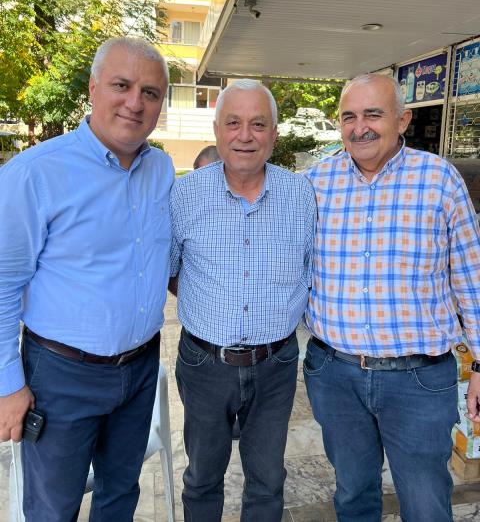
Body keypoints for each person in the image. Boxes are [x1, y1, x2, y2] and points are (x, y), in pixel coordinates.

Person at [0, 37, 174, 521]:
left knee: (120, 495)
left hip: (139, 368)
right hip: (61, 377)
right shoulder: (35, 174)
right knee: (53, 508)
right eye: (122, 85)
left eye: (150, 92)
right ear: (94, 89)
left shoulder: (160, 169)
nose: (135, 102)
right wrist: (8, 386)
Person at [303, 73, 480, 522]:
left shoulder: (439, 179)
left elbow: (472, 279)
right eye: (349, 116)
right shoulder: (315, 183)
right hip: (335, 374)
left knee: (425, 503)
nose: (359, 127)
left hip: (418, 381)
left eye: (373, 114)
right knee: (352, 495)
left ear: (402, 120)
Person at [169, 79, 316, 521]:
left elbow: (310, 267)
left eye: (258, 124)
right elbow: (171, 270)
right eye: (233, 123)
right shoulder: (185, 194)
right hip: (204, 364)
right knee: (202, 477)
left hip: (276, 363)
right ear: (217, 130)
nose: (245, 135)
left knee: (268, 480)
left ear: (274, 133)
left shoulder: (301, 195)